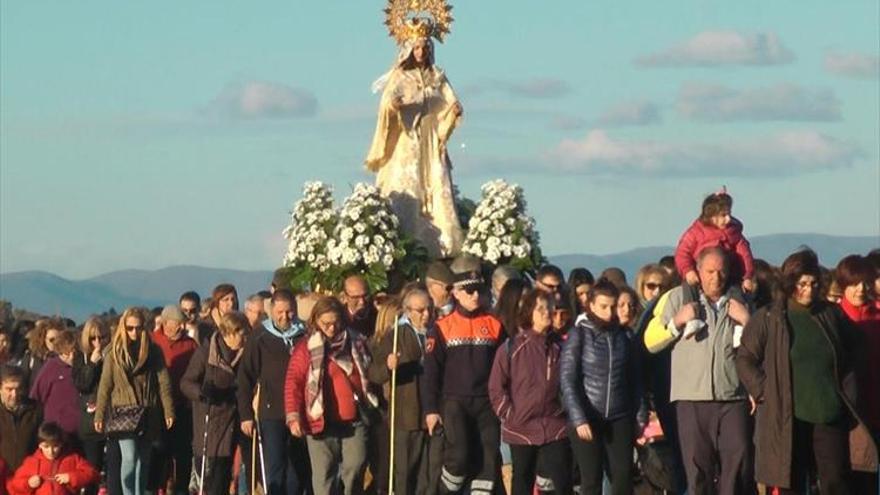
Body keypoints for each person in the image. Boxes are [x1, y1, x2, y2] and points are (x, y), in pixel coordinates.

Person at [736, 249, 878, 494]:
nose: (809, 289)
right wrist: (763, 391)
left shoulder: (830, 314)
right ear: (790, 283)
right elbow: (745, 358)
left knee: (836, 481)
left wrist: (847, 390)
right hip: (788, 416)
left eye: (813, 283)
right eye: (802, 283)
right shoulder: (770, 317)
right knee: (791, 482)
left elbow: (857, 349)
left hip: (828, 412)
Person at [643, 247, 753, 495]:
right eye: (710, 271)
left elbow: (761, 347)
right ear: (698, 272)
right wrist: (676, 322)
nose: (716, 277)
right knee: (697, 472)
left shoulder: (741, 300)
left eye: (722, 271)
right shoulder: (675, 298)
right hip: (691, 399)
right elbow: (650, 342)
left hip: (732, 397)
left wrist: (747, 320)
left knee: (737, 469)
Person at [366, 19, 465, 257]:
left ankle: (442, 245)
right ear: (410, 50)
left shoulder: (437, 76)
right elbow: (387, 104)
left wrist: (454, 111)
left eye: (425, 48)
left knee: (436, 186)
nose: (421, 52)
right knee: (408, 190)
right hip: (407, 140)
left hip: (431, 140)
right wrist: (394, 106)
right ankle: (406, 242)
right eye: (417, 48)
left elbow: (450, 101)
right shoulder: (400, 76)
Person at [422, 259, 504, 495]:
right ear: (456, 293)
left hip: (487, 402)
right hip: (454, 402)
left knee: (488, 458)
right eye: (469, 290)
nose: (475, 295)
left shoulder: (495, 325)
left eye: (479, 290)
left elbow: (504, 366)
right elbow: (431, 372)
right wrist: (430, 410)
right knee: (458, 456)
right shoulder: (441, 327)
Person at [560, 279, 645, 495]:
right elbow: (568, 380)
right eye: (603, 307)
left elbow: (635, 380)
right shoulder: (579, 335)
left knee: (624, 476)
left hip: (620, 415)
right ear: (591, 305)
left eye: (612, 306)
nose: (608, 313)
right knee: (591, 479)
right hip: (588, 415)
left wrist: (640, 416)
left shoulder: (625, 336)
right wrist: (579, 418)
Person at [285, 297, 376, 495]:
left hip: (354, 419)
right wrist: (293, 416)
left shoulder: (356, 342)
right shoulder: (306, 348)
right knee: (324, 476)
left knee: (356, 465)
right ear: (316, 320)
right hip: (320, 422)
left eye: (336, 322)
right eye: (326, 323)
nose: (332, 328)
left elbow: (371, 370)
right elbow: (294, 382)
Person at [489, 289, 570, 495]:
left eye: (549, 308)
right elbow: (496, 386)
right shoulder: (512, 347)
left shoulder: (559, 347)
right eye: (540, 308)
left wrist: (565, 410)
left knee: (561, 480)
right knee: (522, 480)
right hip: (520, 427)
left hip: (555, 426)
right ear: (529, 312)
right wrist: (508, 414)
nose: (546, 313)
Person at [94, 307, 175, 495]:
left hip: (148, 409)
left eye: (138, 328)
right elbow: (105, 385)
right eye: (130, 328)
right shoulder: (114, 352)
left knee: (144, 459)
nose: (134, 332)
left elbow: (163, 382)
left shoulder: (153, 351)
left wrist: (168, 410)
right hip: (123, 412)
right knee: (129, 457)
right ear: (123, 327)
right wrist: (99, 414)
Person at [237, 289, 309, 495]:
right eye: (280, 312)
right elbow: (245, 377)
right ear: (271, 310)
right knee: (275, 466)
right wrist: (246, 415)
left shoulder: (304, 334)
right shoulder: (260, 336)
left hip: (299, 410)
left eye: (289, 312)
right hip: (271, 412)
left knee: (298, 468)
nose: (285, 317)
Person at [368, 288, 439, 495]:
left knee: (429, 475)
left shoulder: (437, 331)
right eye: (420, 310)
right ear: (407, 311)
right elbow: (374, 373)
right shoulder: (395, 335)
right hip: (406, 415)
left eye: (429, 309)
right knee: (404, 474)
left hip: (434, 413)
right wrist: (388, 367)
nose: (426, 314)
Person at [181, 311, 248, 495]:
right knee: (210, 480)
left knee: (224, 476)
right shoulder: (206, 353)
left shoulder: (246, 354)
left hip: (235, 420)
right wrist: (202, 393)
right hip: (209, 421)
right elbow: (186, 382)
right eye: (243, 334)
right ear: (230, 333)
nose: (245, 338)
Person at [835, 254, 880, 492]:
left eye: (865, 282)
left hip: (874, 405)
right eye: (854, 283)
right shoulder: (832, 317)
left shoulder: (877, 315)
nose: (860, 289)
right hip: (845, 411)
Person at [150, 306, 198, 495]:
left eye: (182, 324)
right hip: (158, 408)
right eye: (176, 323)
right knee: (159, 451)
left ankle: (181, 490)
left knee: (184, 453)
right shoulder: (153, 342)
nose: (179, 328)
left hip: (183, 406)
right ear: (165, 323)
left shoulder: (191, 345)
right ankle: (154, 488)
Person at [674, 187, 755, 293]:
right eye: (723, 215)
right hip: (698, 277)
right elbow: (682, 253)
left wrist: (747, 276)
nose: (728, 219)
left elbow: (745, 256)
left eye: (729, 214)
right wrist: (688, 271)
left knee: (738, 298)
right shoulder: (695, 233)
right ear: (711, 216)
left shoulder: (734, 234)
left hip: (728, 278)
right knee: (689, 294)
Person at [72, 317, 111, 495]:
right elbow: (82, 384)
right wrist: (93, 364)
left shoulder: (113, 354)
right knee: (92, 471)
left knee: (112, 471)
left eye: (101, 337)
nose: (97, 342)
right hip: (90, 421)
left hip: (112, 419)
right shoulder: (81, 356)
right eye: (93, 338)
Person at [7, 422, 98, 495]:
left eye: (55, 446)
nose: (51, 451)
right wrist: (28, 484)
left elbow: (92, 473)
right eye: (46, 446)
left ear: (61, 444)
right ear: (39, 445)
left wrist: (71, 477)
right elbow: (13, 486)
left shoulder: (72, 458)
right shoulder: (31, 462)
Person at [29, 330, 80, 438]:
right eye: (67, 353)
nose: (71, 357)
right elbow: (36, 396)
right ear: (60, 351)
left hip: (79, 431)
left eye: (74, 352)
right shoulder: (51, 367)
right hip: (56, 432)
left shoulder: (82, 367)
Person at [0, 365, 42, 471]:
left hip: (26, 475)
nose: (14, 394)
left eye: (18, 389)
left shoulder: (35, 410)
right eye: (9, 389)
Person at [17, 318, 64, 391]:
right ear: (43, 339)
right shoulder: (31, 357)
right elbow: (22, 380)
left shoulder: (63, 359)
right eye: (52, 340)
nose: (55, 343)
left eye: (59, 339)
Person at [341, 275, 378, 340]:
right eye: (355, 297)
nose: (362, 302)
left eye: (365, 296)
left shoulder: (377, 316)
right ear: (345, 297)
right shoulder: (339, 318)